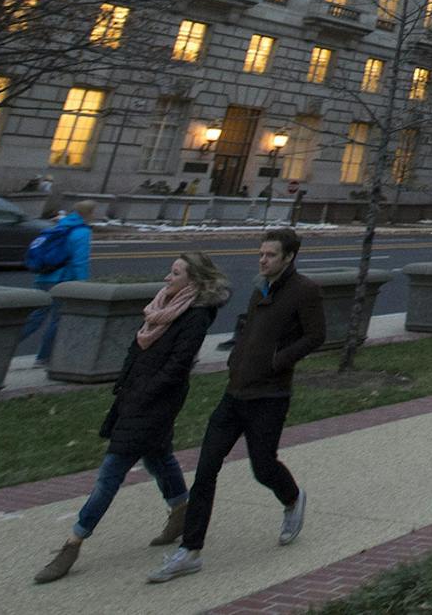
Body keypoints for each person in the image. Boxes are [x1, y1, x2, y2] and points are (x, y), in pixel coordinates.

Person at [34, 251, 231, 585]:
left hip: (155, 401)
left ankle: (73, 542)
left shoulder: (195, 316)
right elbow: (138, 347)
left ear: (194, 281)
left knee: (110, 472)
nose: (168, 278)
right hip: (135, 395)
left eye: (176, 273)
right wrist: (126, 381)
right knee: (158, 457)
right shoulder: (162, 306)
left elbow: (177, 365)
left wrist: (144, 392)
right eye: (170, 272)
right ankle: (181, 511)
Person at [147, 227, 323, 584]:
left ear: (289, 257)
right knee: (206, 468)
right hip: (236, 392)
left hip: (270, 396)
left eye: (271, 255)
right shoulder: (261, 285)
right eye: (261, 253)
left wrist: (278, 360)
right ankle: (190, 551)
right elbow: (251, 327)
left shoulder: (305, 290)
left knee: (262, 466)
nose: (263, 259)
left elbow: (316, 335)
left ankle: (291, 498)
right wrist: (238, 356)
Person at [24, 203, 94, 365]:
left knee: (36, 317)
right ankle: (44, 357)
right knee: (58, 319)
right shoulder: (82, 231)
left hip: (44, 277)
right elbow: (79, 261)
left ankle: (6, 346)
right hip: (62, 280)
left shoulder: (60, 226)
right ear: (89, 213)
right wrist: (82, 284)